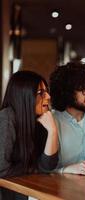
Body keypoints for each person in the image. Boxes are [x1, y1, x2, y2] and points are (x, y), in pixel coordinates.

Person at [0, 71, 59, 200]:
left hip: (24, 193)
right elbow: (2, 170)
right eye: (41, 93)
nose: (48, 96)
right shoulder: (6, 118)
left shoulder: (40, 119)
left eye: (47, 91)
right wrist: (35, 167)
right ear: (24, 96)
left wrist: (52, 131)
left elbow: (48, 166)